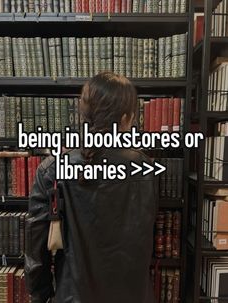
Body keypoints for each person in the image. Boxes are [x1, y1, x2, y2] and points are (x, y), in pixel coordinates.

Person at [25, 72, 158, 303]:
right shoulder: (147, 169)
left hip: (72, 296)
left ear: (84, 116)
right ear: (127, 119)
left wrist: (41, 297)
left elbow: (37, 255)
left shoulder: (52, 169)